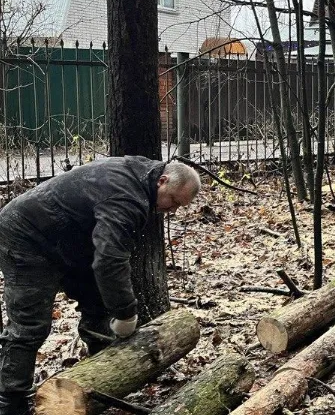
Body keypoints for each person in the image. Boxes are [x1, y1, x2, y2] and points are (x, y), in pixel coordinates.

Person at [0, 156, 201, 414]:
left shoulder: (143, 177)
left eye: (178, 206)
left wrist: (117, 308)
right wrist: (126, 312)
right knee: (30, 325)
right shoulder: (128, 198)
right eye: (173, 201)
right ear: (162, 181)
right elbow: (109, 259)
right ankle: (10, 402)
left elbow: (107, 257)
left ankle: (101, 379)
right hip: (25, 236)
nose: (171, 210)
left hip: (66, 239)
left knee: (98, 304)